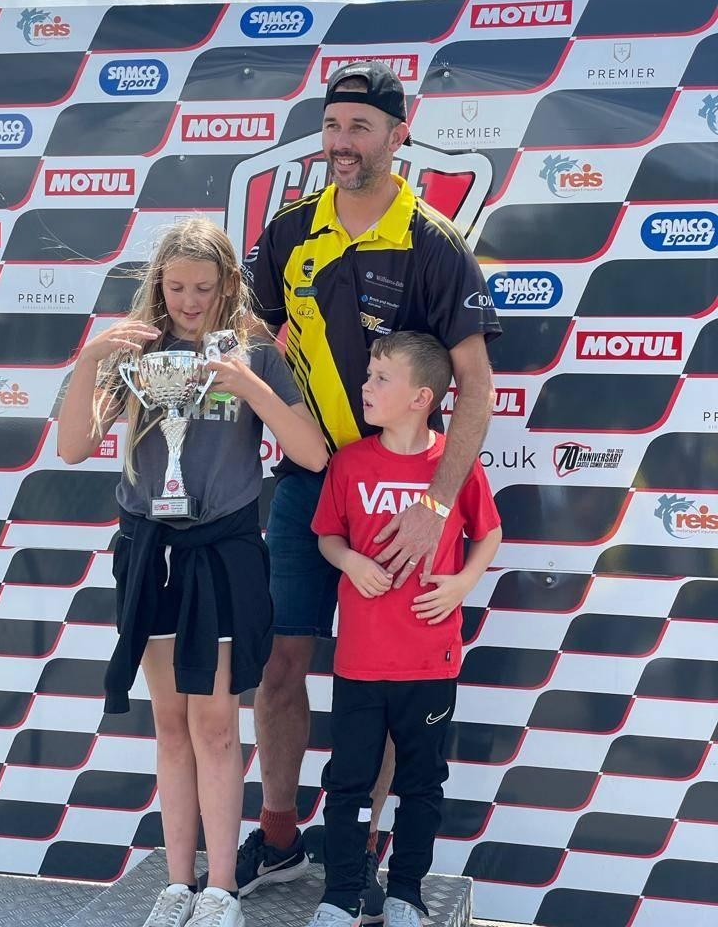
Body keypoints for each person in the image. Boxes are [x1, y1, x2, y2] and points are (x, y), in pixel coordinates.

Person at [238, 61, 501, 911]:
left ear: (398, 133)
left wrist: (432, 505)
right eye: (332, 126)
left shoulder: (434, 242)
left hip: (399, 498)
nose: (341, 143)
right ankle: (280, 837)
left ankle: (364, 846)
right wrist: (286, 412)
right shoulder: (288, 229)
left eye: (359, 128)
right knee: (281, 662)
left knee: (386, 681)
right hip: (309, 483)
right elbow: (253, 329)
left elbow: (479, 386)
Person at [57, 219, 328, 927]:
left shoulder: (255, 351)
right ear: (158, 283)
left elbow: (314, 451)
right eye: (174, 287)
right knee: (170, 725)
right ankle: (178, 883)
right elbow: (74, 446)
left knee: (215, 725)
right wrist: (91, 360)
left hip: (222, 550)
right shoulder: (136, 350)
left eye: (202, 288)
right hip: (149, 548)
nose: (187, 300)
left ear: (228, 284)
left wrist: (247, 382)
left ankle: (222, 889)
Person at [309, 331, 502, 927]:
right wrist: (350, 561)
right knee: (348, 783)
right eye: (367, 375)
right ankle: (341, 895)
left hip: (429, 661)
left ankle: (407, 894)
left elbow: (488, 532)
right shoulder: (349, 461)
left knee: (421, 785)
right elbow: (327, 535)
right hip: (360, 661)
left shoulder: (454, 463)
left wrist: (465, 582)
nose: (365, 387)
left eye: (379, 378)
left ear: (422, 397)